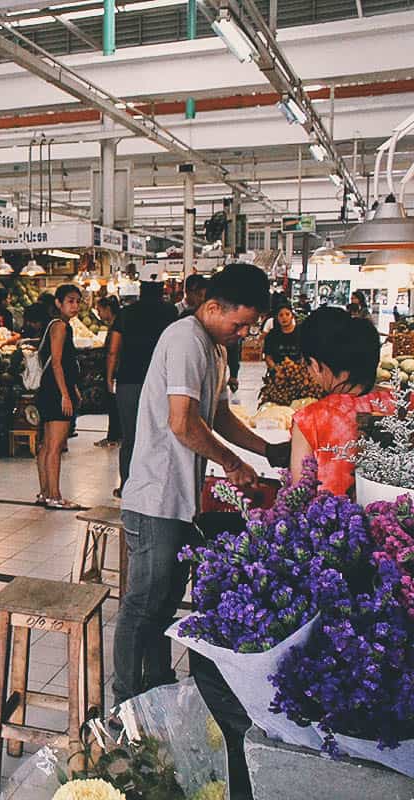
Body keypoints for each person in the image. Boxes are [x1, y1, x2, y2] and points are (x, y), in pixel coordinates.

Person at [114, 263, 286, 704]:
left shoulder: (215, 348)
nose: (245, 333)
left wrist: (267, 451)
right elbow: (183, 423)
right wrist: (231, 463)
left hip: (181, 498)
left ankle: (154, 690)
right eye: (241, 323)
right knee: (144, 603)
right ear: (212, 307)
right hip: (156, 495)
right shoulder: (185, 339)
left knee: (165, 603)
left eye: (251, 326)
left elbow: (220, 415)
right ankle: (127, 702)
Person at [290, 307, 393, 496]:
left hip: (334, 524)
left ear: (315, 364)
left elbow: (299, 495)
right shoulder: (406, 404)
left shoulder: (311, 419)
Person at [108, 282, 177, 495]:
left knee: (130, 436)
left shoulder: (126, 313)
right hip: (161, 382)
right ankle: (156, 484)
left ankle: (127, 485)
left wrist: (110, 377)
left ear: (141, 288)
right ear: (161, 288)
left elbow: (113, 349)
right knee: (159, 434)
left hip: (129, 381)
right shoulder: (170, 311)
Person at [35, 284, 83, 510]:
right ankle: (55, 495)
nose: (75, 306)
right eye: (70, 301)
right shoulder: (61, 327)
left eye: (77, 301)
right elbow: (56, 362)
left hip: (50, 389)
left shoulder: (54, 325)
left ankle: (45, 493)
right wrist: (65, 394)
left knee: (46, 445)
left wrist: (72, 389)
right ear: (58, 303)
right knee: (55, 446)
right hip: (55, 391)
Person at [96, 296, 122, 449]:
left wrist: (109, 375)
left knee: (114, 404)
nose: (99, 314)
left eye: (100, 310)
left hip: (115, 370)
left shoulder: (116, 327)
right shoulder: (115, 325)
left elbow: (113, 353)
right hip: (115, 369)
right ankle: (113, 435)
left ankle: (114, 436)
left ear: (107, 309)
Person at [263, 305, 301, 372]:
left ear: (292, 316)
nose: (284, 317)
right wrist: (276, 369)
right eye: (281, 315)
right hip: (278, 375)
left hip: (299, 374)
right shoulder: (271, 335)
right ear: (277, 318)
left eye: (287, 314)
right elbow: (268, 357)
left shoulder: (301, 333)